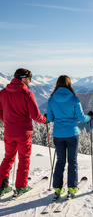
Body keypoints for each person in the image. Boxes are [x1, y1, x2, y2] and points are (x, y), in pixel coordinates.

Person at [0, 68, 47, 196]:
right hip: (24, 133)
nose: (30, 82)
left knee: (8, 158)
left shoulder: (2, 93)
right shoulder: (27, 94)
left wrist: (8, 121)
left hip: (9, 132)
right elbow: (36, 116)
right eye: (29, 79)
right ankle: (21, 187)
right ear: (24, 78)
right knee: (24, 159)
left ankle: (2, 187)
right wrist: (45, 120)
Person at [46, 75, 93, 197]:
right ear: (69, 84)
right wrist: (91, 117)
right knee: (72, 161)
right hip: (72, 134)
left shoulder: (51, 99)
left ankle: (57, 188)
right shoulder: (74, 99)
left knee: (60, 160)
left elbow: (50, 118)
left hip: (58, 134)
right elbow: (81, 118)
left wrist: (49, 114)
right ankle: (72, 188)